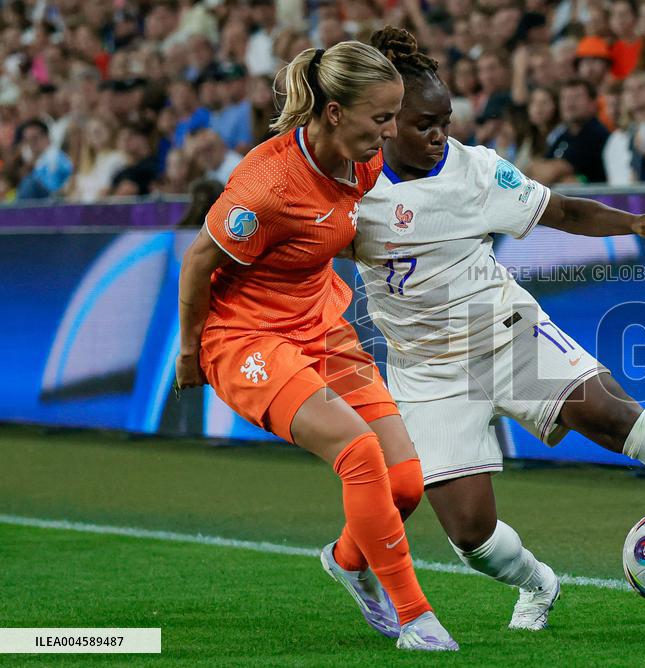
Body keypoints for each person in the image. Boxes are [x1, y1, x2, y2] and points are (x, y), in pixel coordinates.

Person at [354, 26, 645, 633]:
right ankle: (538, 583)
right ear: (387, 122)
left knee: (613, 414)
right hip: (427, 370)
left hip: (506, 332)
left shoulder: (476, 172)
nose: (440, 134)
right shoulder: (350, 186)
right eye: (425, 124)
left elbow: (564, 210)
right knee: (470, 536)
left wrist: (635, 221)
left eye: (446, 120)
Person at [173, 42, 458, 652]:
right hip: (244, 338)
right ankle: (416, 618)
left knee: (405, 482)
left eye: (393, 117)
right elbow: (198, 262)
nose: (389, 132)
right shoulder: (267, 186)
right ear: (333, 113)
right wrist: (189, 352)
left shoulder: (364, 164)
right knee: (358, 453)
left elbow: (341, 232)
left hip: (321, 327)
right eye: (379, 119)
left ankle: (348, 560)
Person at [528, 79, 611, 184]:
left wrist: (548, 172)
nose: (569, 103)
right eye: (565, 98)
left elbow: (550, 173)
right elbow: (530, 171)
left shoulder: (596, 134)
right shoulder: (563, 135)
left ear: (593, 103)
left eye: (576, 97)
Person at [14, 118, 73, 200]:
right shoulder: (40, 160)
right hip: (44, 199)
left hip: (56, 200)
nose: (31, 144)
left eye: (34, 138)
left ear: (46, 137)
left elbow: (54, 188)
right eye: (28, 140)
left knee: (29, 183)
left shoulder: (54, 157)